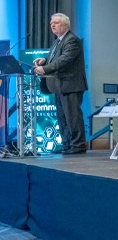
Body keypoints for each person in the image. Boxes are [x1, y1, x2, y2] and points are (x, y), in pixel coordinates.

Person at [33, 13, 88, 154]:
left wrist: (44, 69)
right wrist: (44, 61)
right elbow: (55, 58)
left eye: (56, 22)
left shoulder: (72, 40)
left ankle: (78, 145)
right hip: (59, 85)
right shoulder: (57, 41)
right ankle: (67, 145)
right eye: (52, 23)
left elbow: (64, 60)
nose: (52, 25)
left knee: (72, 117)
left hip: (70, 85)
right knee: (62, 118)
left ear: (66, 25)